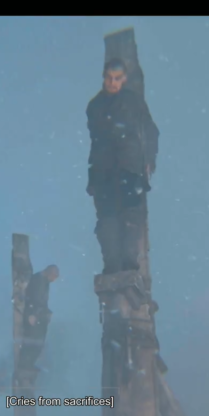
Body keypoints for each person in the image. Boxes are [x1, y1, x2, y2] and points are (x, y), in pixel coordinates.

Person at [86, 59, 160, 274]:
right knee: (107, 219)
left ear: (124, 79)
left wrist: (149, 159)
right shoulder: (95, 106)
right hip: (103, 170)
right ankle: (112, 265)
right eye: (109, 77)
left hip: (129, 166)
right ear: (103, 76)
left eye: (117, 78)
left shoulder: (133, 102)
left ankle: (129, 264)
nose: (112, 82)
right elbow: (96, 140)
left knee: (130, 216)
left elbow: (150, 130)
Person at [16, 265, 59, 371]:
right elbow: (31, 298)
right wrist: (31, 314)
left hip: (39, 317)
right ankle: (24, 366)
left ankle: (28, 366)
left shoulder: (44, 282)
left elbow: (41, 301)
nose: (54, 280)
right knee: (32, 343)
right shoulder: (37, 280)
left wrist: (46, 313)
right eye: (54, 276)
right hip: (33, 317)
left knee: (38, 343)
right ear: (50, 273)